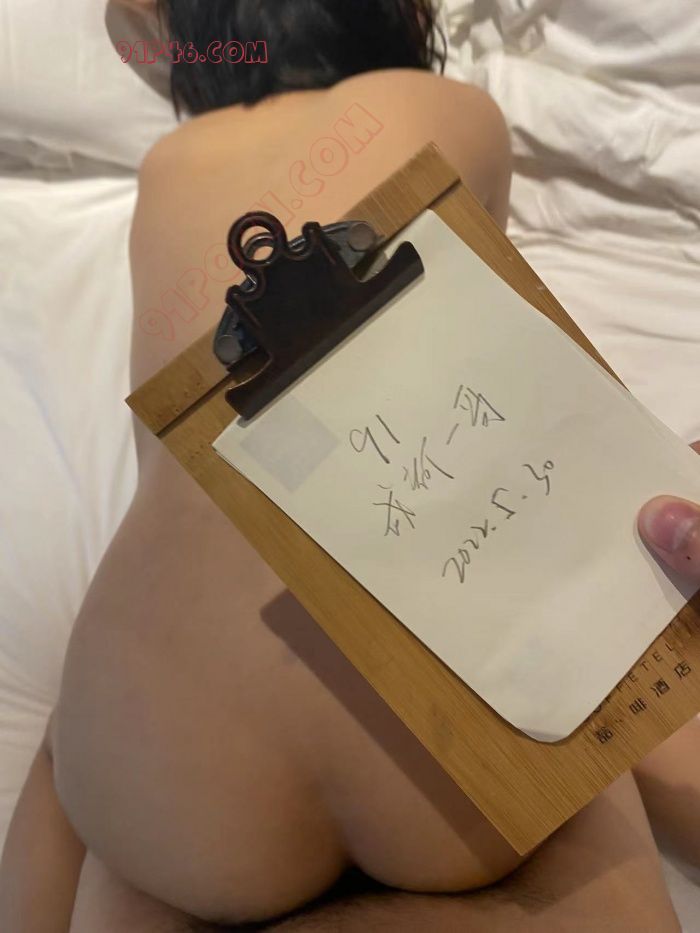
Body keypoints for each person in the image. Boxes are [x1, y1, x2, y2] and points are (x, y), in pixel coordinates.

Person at [0, 1, 698, 929]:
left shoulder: (166, 166)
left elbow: (157, 446)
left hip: (178, 744)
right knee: (596, 748)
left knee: (79, 767)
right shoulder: (459, 111)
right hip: (439, 721)